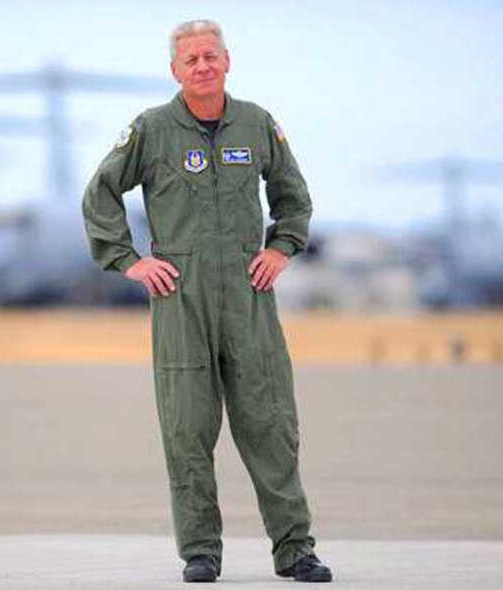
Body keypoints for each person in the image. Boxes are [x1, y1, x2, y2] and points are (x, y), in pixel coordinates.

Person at [81, 19, 333, 584]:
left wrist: (282, 247)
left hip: (249, 296)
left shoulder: (257, 124)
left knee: (271, 425)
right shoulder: (151, 130)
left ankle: (295, 550)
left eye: (210, 56)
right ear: (175, 69)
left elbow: (294, 196)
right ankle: (201, 553)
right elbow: (99, 193)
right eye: (191, 59)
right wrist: (130, 261)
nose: (202, 66)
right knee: (187, 429)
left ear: (227, 61)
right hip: (180, 300)